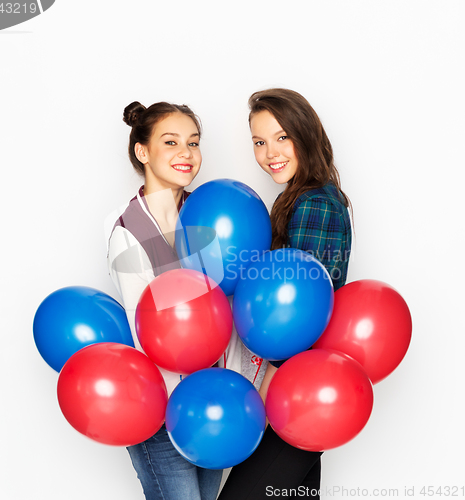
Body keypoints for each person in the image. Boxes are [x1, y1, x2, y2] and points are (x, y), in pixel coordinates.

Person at [218, 88, 352, 500]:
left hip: (295, 392)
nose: (269, 152)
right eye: (259, 141)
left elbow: (297, 316)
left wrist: (260, 402)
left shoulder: (315, 204)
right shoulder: (298, 197)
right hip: (305, 392)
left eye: (282, 137)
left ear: (305, 134)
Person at [107, 101, 238, 500]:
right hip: (158, 408)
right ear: (142, 152)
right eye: (171, 142)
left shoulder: (209, 216)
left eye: (193, 143)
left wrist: (233, 388)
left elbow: (231, 305)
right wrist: (185, 407)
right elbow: (142, 331)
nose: (187, 153)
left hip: (213, 403)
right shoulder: (129, 233)